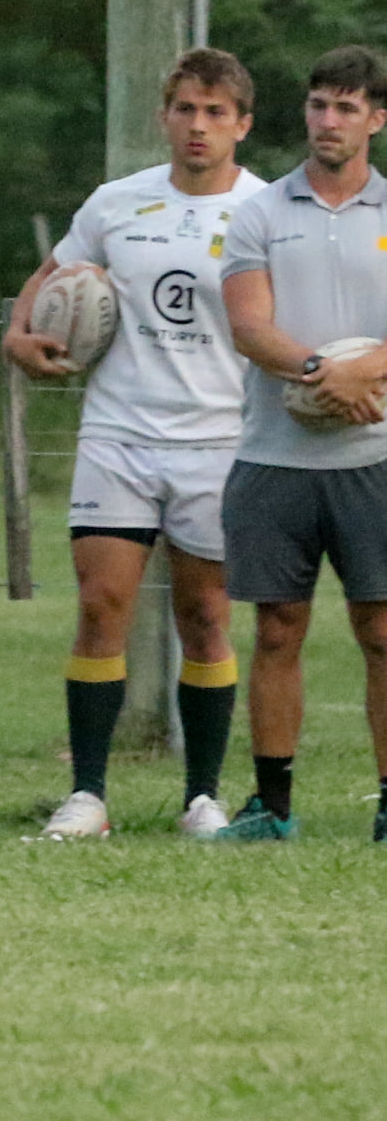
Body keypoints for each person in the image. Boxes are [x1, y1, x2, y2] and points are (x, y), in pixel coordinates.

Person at [6, 48, 263, 841]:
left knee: (206, 614)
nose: (198, 126)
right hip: (120, 432)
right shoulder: (118, 203)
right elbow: (50, 278)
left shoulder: (265, 212)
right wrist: (20, 336)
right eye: (186, 109)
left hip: (220, 439)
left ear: (243, 125)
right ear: (164, 116)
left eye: (215, 112)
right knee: (100, 605)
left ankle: (203, 799)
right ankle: (87, 795)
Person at [213, 44, 387, 843]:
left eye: (346, 107)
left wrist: (363, 375)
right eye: (319, 104)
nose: (328, 120)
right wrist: (324, 373)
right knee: (278, 628)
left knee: (381, 633)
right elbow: (249, 326)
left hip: (374, 461)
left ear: (376, 120)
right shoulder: (260, 212)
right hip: (274, 458)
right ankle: (272, 807)